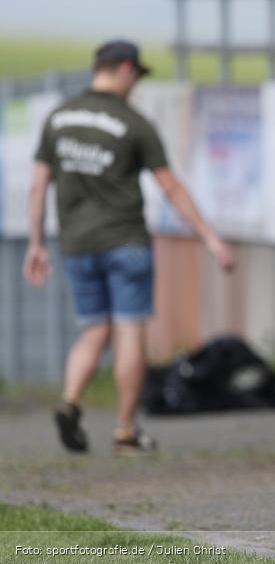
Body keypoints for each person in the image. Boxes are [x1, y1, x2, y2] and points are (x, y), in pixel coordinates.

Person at [23, 40, 235, 454]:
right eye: (136, 74)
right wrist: (211, 238)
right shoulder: (134, 123)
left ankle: (70, 402)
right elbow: (170, 187)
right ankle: (124, 430)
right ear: (123, 69)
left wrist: (36, 243)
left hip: (77, 244)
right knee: (129, 331)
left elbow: (37, 184)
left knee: (95, 329)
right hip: (125, 243)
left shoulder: (59, 117)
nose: (135, 83)